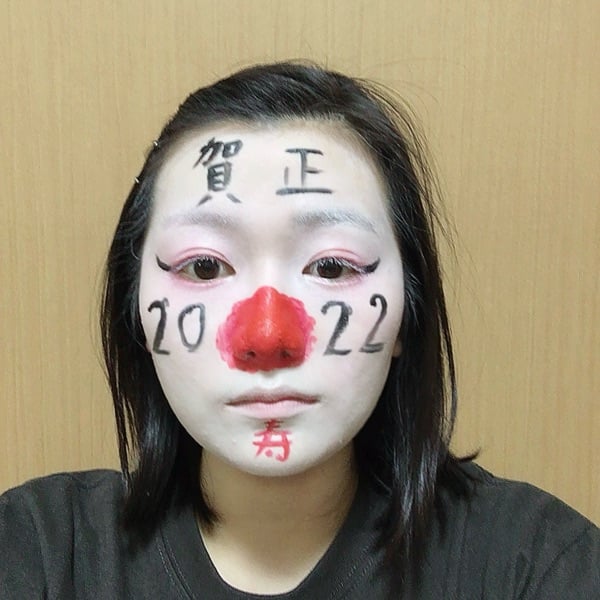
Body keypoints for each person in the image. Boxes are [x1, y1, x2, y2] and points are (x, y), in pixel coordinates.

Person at [1, 62, 598, 599]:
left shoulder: (536, 564)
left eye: (332, 267)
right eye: (204, 267)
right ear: (136, 309)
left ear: (406, 315)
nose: (266, 338)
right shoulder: (40, 552)